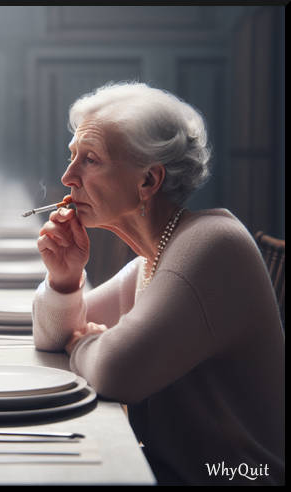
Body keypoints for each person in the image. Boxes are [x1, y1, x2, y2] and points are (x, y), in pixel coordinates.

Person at [32, 82, 284, 485]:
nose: (67, 177)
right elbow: (49, 340)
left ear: (148, 181)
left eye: (90, 160)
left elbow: (116, 371)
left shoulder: (212, 244)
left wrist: (81, 342)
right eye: (72, 157)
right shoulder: (155, 258)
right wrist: (64, 280)